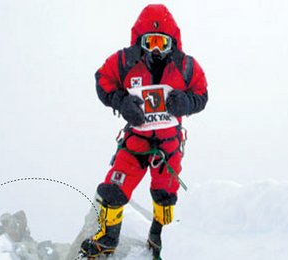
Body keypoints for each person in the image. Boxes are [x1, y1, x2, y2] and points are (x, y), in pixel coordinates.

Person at [80, 4, 208, 259]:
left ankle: (159, 237)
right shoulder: (125, 61)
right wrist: (121, 101)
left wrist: (187, 103)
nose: (157, 49)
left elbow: (202, 94)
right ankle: (106, 239)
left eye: (163, 42)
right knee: (114, 188)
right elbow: (102, 79)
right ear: (141, 41)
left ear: (173, 41)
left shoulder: (186, 67)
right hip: (135, 141)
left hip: (169, 144)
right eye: (151, 42)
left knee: (165, 194)